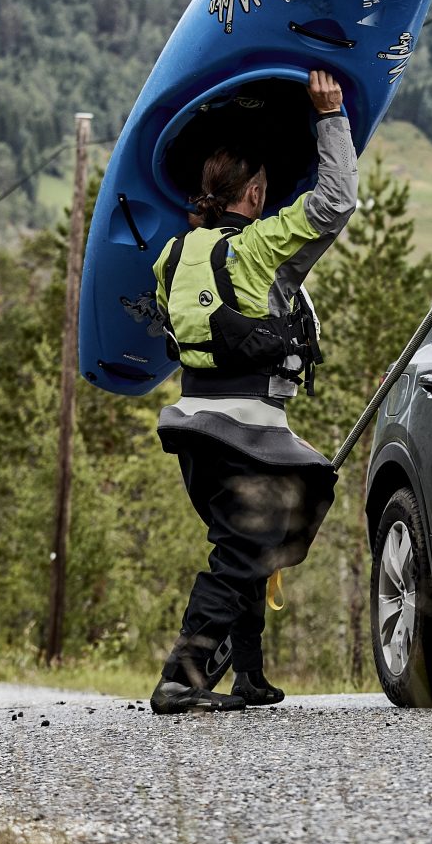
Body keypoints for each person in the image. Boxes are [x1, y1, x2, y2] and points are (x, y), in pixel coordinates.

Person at [148, 67, 357, 714]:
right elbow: (336, 201)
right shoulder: (261, 247)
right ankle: (181, 678)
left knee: (248, 544)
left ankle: (249, 674)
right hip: (248, 431)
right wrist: (330, 116)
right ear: (257, 192)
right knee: (245, 548)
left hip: (192, 428)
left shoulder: (171, 257)